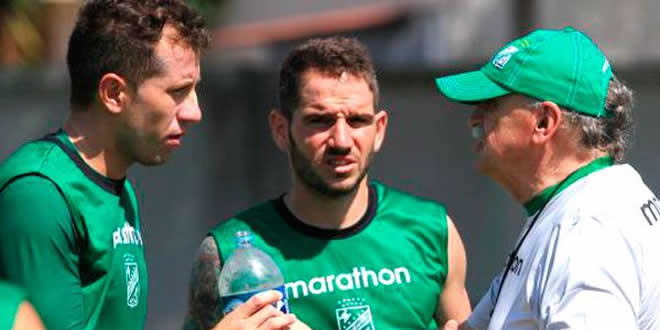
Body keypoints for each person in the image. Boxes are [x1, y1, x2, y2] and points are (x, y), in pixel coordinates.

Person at [183, 36, 472, 330]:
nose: (342, 141)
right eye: (320, 121)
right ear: (281, 130)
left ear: (379, 129)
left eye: (357, 120)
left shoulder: (433, 231)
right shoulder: (229, 252)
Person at [0, 0, 209, 329]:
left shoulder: (118, 185)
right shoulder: (39, 194)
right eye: (178, 91)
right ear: (113, 93)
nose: (194, 112)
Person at [435, 26, 660, 329]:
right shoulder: (586, 202)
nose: (474, 117)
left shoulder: (586, 232)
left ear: (544, 122)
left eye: (492, 104)